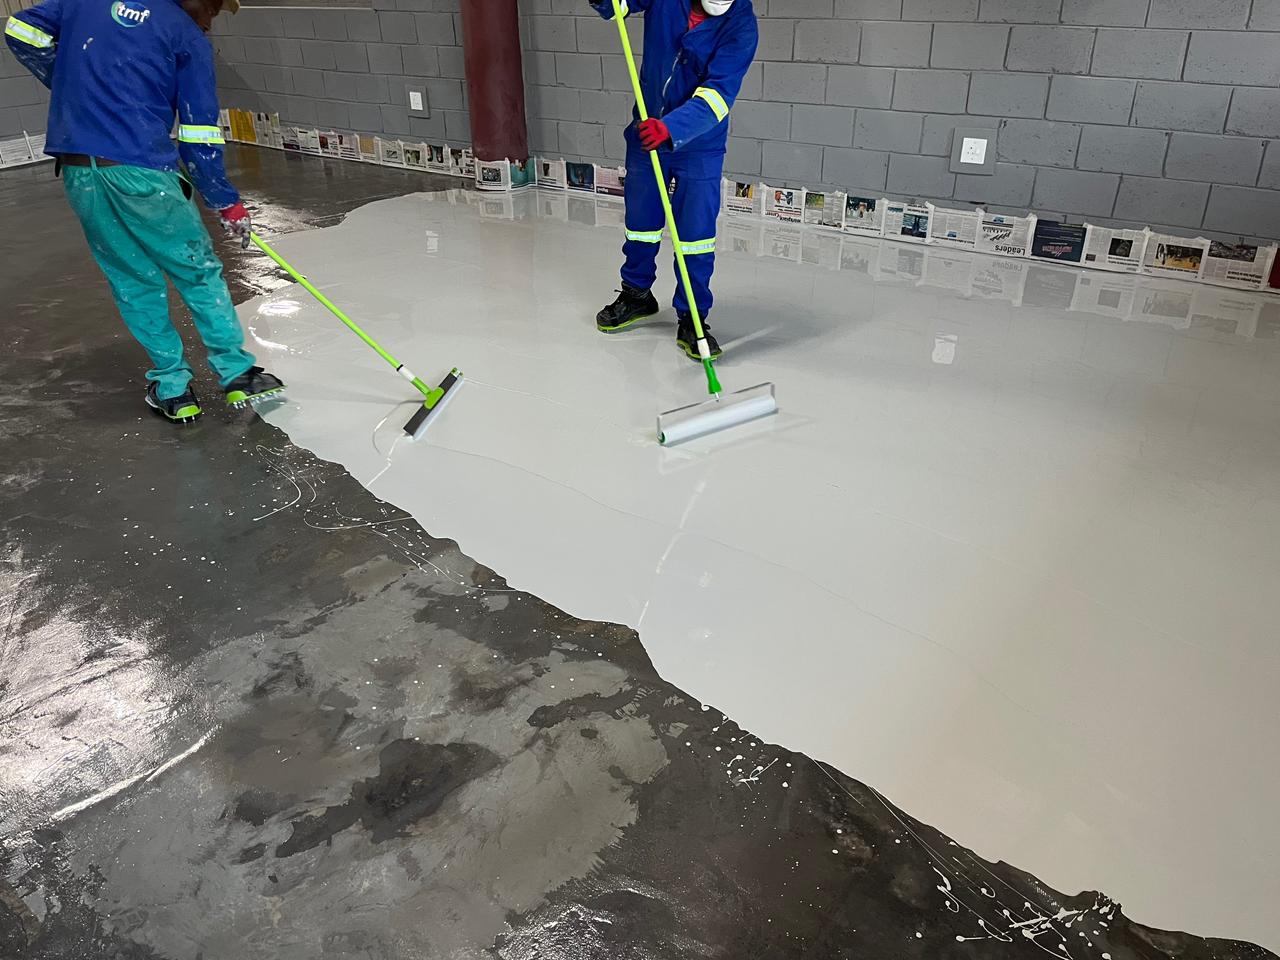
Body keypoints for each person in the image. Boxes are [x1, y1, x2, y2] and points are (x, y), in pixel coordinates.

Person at [5, 0, 283, 424]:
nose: (211, 22)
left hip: (81, 174)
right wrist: (225, 201)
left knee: (133, 280)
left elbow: (19, 29)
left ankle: (174, 389)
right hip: (144, 176)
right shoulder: (185, 35)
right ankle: (237, 374)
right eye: (213, 10)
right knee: (197, 272)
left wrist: (68, 81)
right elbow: (198, 134)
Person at [590, 0, 758, 360]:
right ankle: (637, 294)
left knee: (695, 236)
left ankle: (693, 317)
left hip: (699, 144)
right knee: (641, 224)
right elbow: (618, 6)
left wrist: (671, 128)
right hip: (645, 132)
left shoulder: (741, 25)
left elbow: (718, 95)